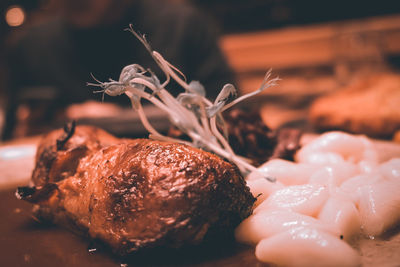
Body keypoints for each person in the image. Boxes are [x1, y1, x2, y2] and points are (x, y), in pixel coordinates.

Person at [3, 0, 236, 139]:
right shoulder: (31, 43)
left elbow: (225, 109)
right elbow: (14, 123)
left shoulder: (182, 24)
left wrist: (115, 119)